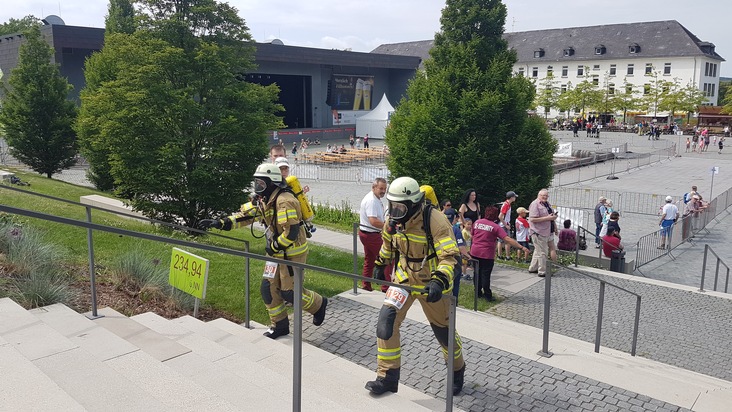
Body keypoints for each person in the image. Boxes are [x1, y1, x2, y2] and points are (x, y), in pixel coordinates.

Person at [198, 163, 327, 339]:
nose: (257, 188)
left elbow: (292, 233)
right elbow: (246, 216)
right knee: (268, 288)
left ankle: (319, 304)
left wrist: (274, 246)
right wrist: (220, 223)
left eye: (261, 184)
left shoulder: (285, 201)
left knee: (289, 293)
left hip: (292, 254)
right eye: (256, 183)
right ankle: (279, 325)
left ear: (272, 183)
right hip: (276, 252)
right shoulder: (265, 199)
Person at [366, 177, 466, 396]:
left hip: (432, 284)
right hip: (403, 279)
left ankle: (457, 371)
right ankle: (387, 377)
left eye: (400, 207)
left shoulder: (436, 221)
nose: (394, 211)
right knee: (386, 323)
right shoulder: (393, 219)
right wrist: (380, 263)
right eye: (392, 205)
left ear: (413, 204)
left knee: (444, 334)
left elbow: (450, 258)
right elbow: (388, 244)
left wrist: (439, 280)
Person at [471, 206, 529, 301]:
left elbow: (472, 235)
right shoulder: (495, 227)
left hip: (475, 251)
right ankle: (488, 295)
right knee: (485, 274)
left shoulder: (477, 222)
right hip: (487, 254)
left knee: (477, 273)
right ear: (495, 216)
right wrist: (521, 247)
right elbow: (507, 239)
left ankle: (477, 293)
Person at [359, 178, 391, 292]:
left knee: (370, 259)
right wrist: (387, 227)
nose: (383, 191)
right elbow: (373, 221)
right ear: (374, 187)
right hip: (371, 234)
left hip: (366, 233)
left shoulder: (374, 198)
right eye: (381, 188)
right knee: (387, 258)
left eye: (385, 189)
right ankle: (386, 287)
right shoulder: (372, 201)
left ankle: (366, 284)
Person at [528, 189, 558, 277]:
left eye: (546, 196)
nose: (545, 197)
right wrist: (548, 218)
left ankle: (533, 268)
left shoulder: (547, 204)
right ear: (539, 195)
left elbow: (551, 216)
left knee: (538, 251)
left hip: (548, 231)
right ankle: (542, 271)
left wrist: (555, 226)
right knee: (543, 252)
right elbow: (532, 219)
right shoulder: (535, 204)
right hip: (538, 231)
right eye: (543, 196)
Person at [444, 207, 469, 298]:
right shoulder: (455, 229)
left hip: (441, 258)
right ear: (454, 218)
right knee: (455, 283)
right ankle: (454, 303)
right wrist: (468, 256)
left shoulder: (439, 228)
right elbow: (461, 247)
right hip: (454, 259)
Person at [497, 191, 518, 260]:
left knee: (501, 240)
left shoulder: (507, 204)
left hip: (503, 224)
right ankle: (507, 256)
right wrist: (506, 225)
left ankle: (500, 255)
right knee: (507, 241)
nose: (515, 198)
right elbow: (500, 216)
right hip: (504, 225)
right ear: (511, 197)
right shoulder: (506, 205)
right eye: (514, 197)